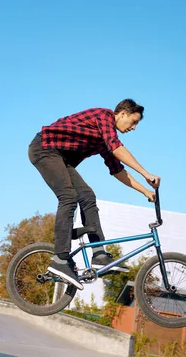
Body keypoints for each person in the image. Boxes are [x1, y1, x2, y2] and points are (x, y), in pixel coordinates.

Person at [27, 98, 161, 290]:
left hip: (61, 159)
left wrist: (146, 191)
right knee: (68, 196)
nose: (134, 128)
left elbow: (117, 170)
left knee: (87, 196)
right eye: (134, 122)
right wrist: (146, 173)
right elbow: (116, 147)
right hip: (44, 148)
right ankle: (60, 259)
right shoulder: (102, 116)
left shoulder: (104, 140)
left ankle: (98, 253)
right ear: (122, 113)